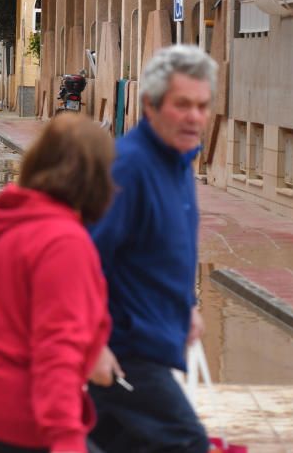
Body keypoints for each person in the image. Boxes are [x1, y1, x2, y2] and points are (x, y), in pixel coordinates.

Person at [0, 114, 118, 453]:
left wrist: (93, 348)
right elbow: (55, 351)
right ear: (95, 180)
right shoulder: (63, 241)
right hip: (5, 424)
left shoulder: (9, 224)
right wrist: (66, 439)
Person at [87, 44, 217, 453]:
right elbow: (84, 260)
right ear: (150, 105)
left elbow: (157, 255)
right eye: (182, 104)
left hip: (155, 344)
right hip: (126, 349)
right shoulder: (129, 167)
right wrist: (91, 344)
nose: (195, 116)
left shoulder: (178, 163)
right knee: (188, 443)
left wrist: (187, 307)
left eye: (202, 105)